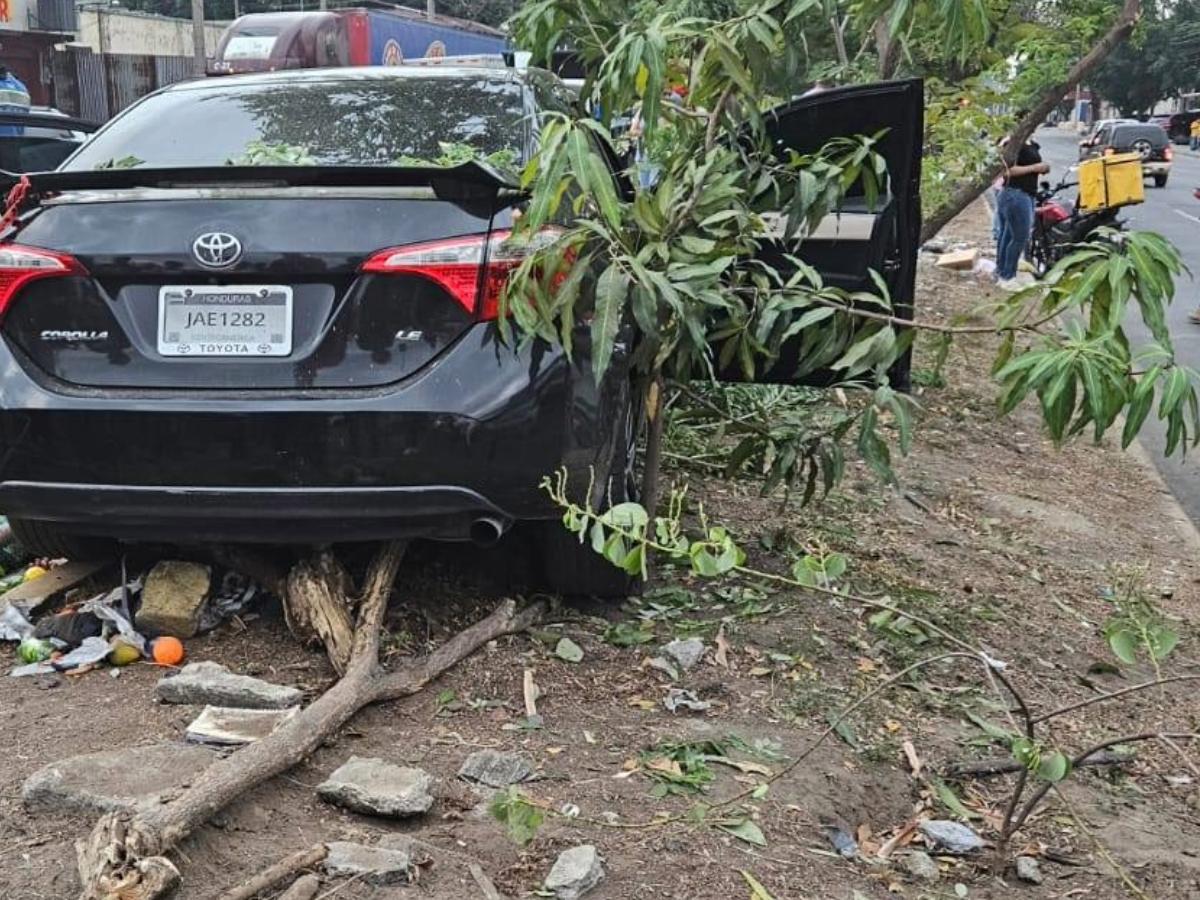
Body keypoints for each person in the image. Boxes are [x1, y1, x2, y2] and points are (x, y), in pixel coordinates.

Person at [994, 138, 1049, 291]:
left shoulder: (1033, 143)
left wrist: (1042, 168)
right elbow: (1007, 171)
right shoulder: (1013, 143)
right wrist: (1035, 167)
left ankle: (1002, 272)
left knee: (1008, 236)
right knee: (1019, 237)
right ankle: (1007, 276)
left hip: (1027, 194)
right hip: (1015, 194)